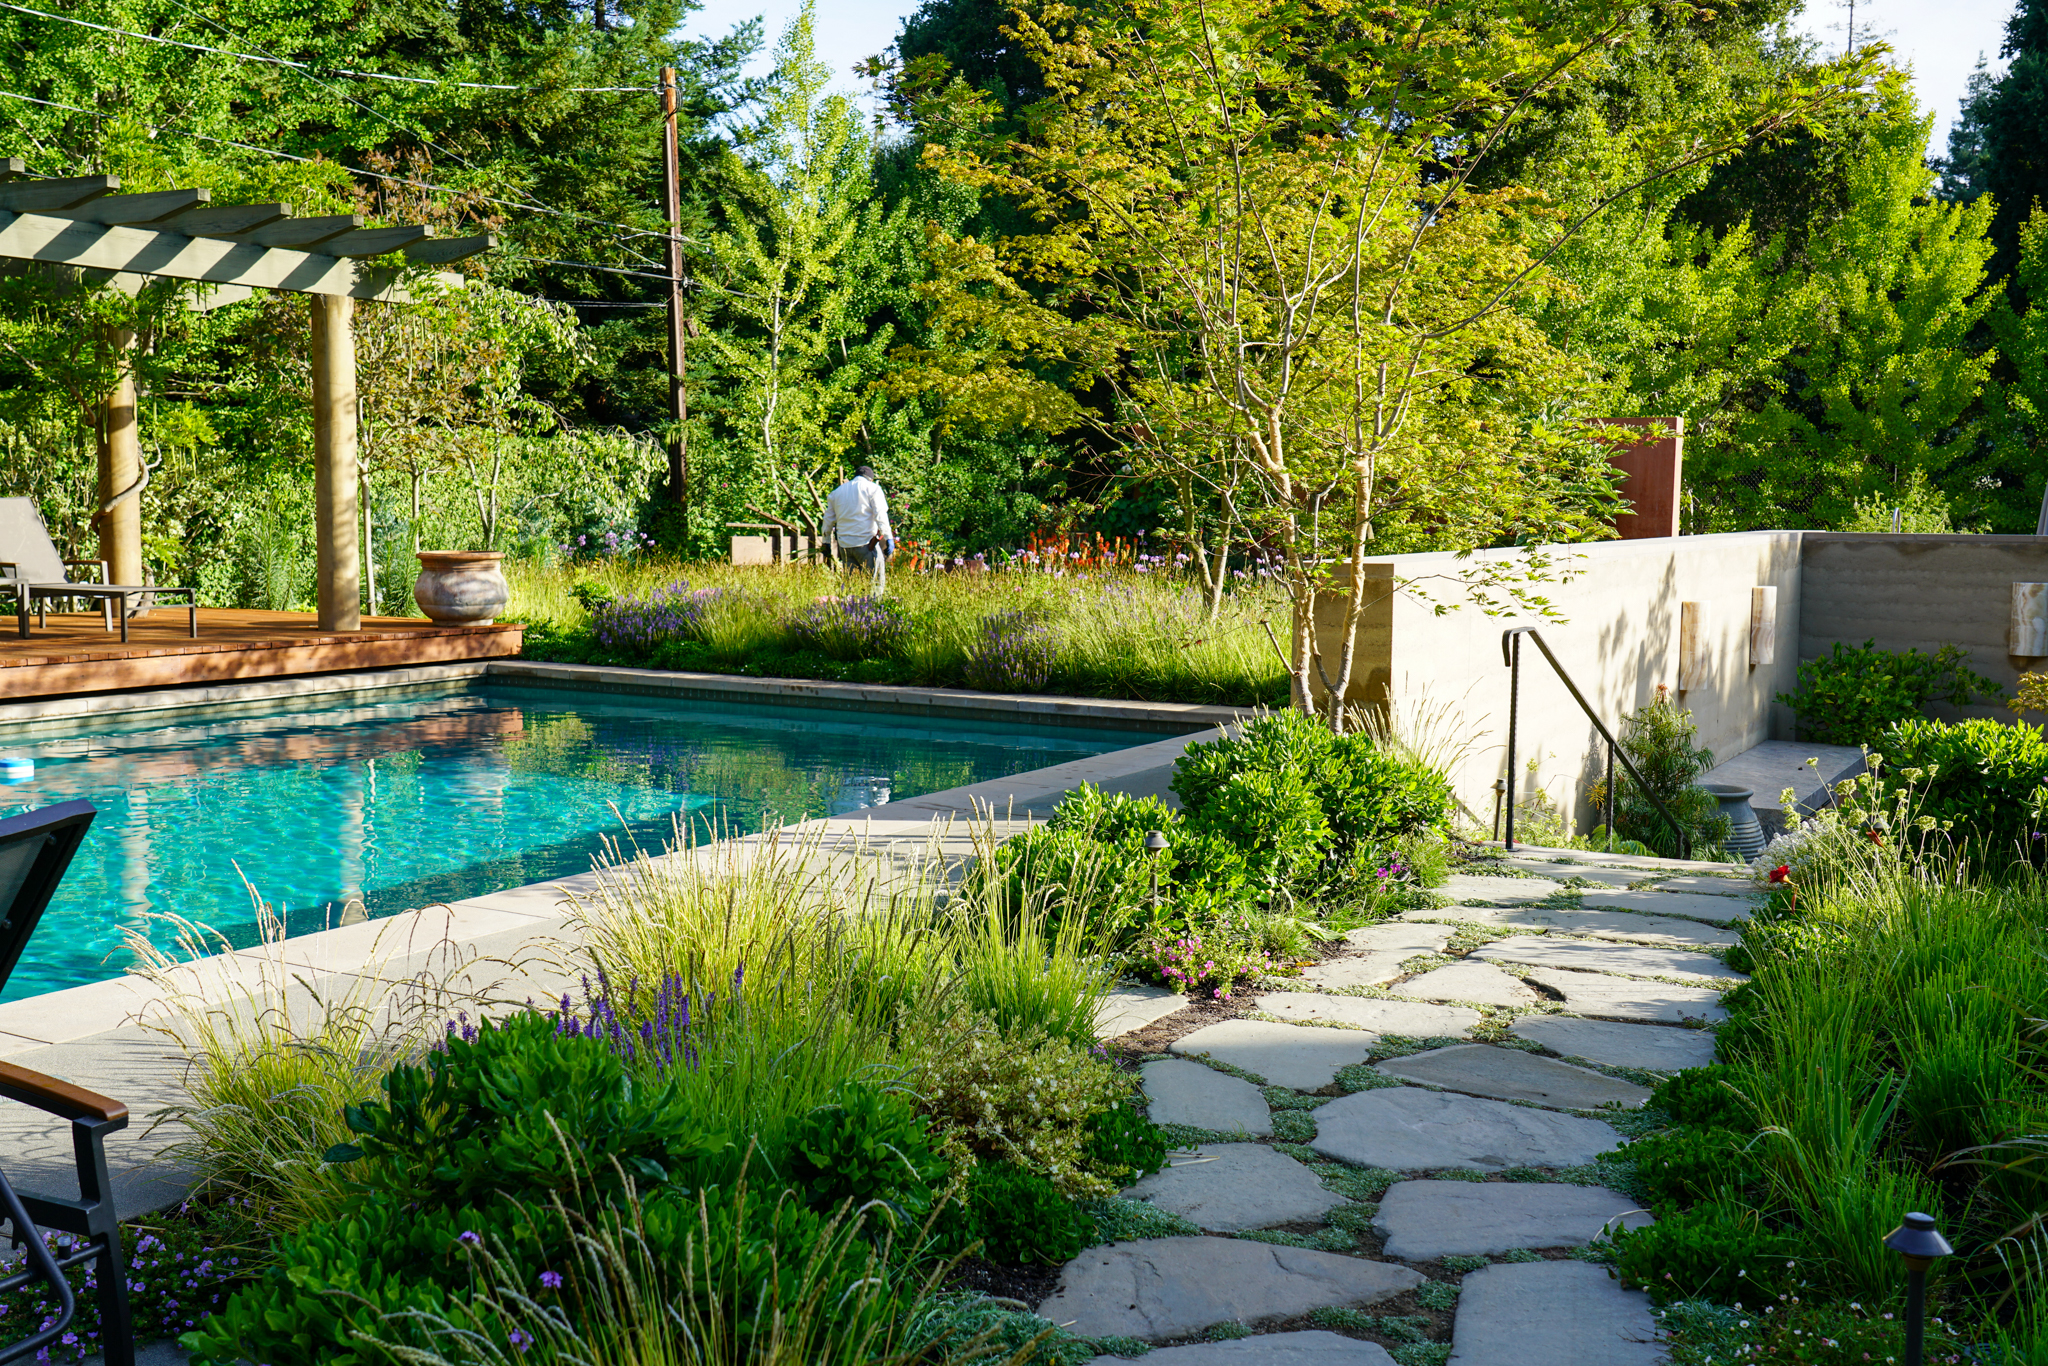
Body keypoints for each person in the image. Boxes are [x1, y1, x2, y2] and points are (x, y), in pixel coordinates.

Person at [821, 466, 894, 593]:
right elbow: (880, 515)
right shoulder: (873, 489)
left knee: (851, 588)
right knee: (875, 586)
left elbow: (828, 519)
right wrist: (888, 537)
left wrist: (826, 541)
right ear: (870, 479)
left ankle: (851, 611)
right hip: (866, 544)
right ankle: (874, 610)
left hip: (845, 546)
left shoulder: (837, 492)